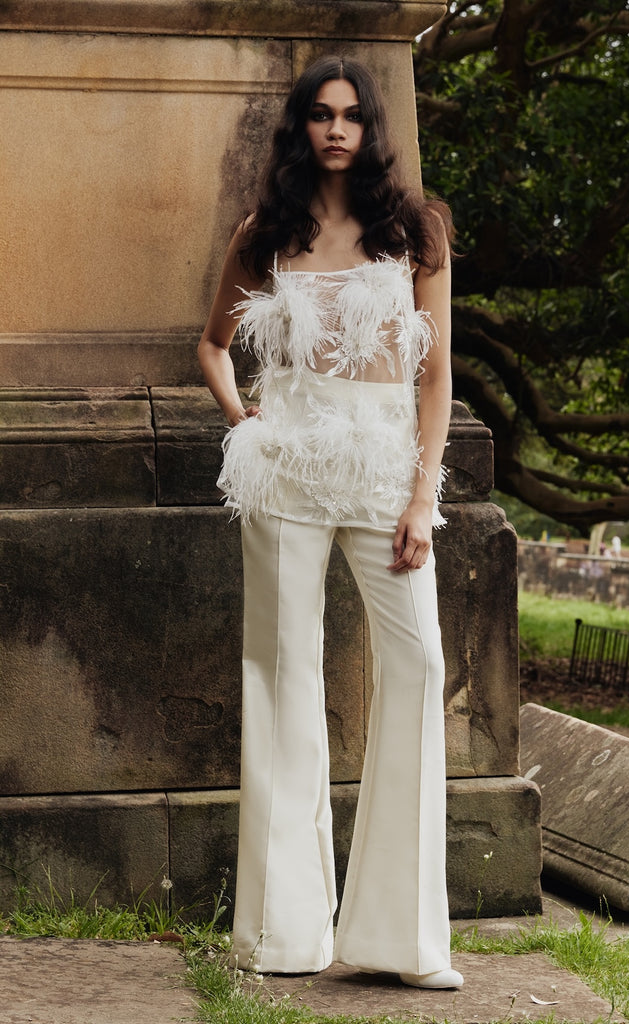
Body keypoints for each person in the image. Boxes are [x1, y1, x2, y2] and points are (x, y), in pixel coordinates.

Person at [198, 55, 462, 990]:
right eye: (320, 113)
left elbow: (435, 377)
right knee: (281, 679)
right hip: (286, 475)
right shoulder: (265, 231)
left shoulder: (416, 232)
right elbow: (212, 344)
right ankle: (283, 936)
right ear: (301, 127)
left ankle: (402, 941)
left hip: (384, 475)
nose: (336, 128)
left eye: (351, 114)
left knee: (417, 664)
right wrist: (245, 421)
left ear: (371, 127)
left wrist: (422, 498)